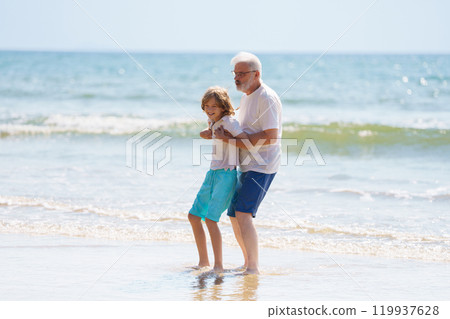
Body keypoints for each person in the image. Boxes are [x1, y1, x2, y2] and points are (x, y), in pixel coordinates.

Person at [213, 52, 282, 275]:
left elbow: (271, 136)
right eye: (235, 74)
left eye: (242, 74)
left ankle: (253, 267)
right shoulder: (247, 95)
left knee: (243, 213)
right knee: (233, 214)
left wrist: (231, 140)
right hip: (246, 164)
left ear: (256, 74)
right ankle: (246, 263)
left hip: (263, 165)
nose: (237, 78)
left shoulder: (266, 97)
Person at [188, 86, 249, 273]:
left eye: (214, 106)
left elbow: (246, 141)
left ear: (223, 106)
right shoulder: (212, 121)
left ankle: (218, 266)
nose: (209, 109)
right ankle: (203, 261)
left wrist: (224, 137)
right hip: (212, 173)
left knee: (211, 219)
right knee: (193, 216)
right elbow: (211, 132)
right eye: (206, 105)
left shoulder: (230, 122)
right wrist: (206, 133)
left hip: (226, 174)